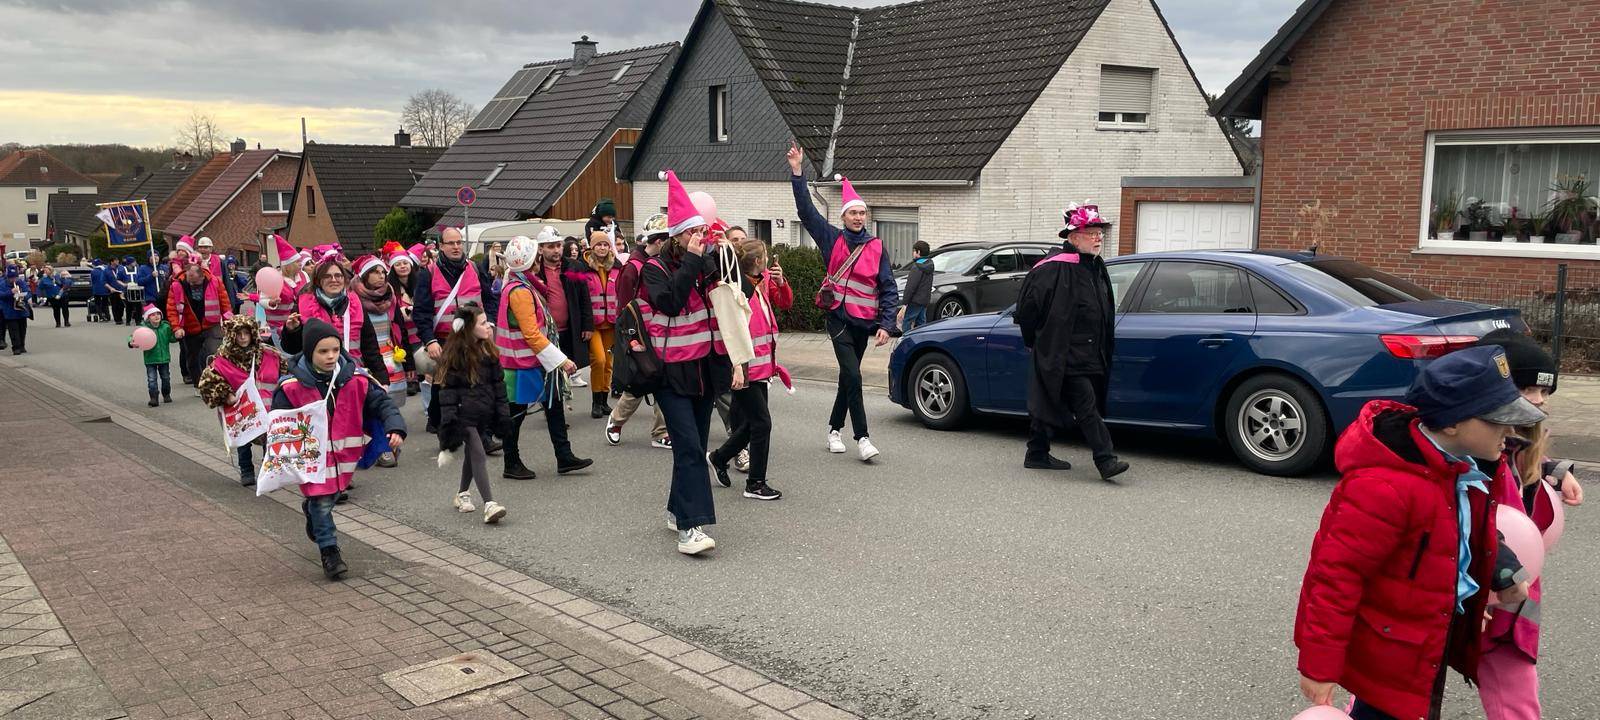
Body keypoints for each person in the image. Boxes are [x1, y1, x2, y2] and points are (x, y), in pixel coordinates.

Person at [1294, 346, 1542, 720]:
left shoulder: (1459, 467)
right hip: (1391, 647)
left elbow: (1467, 535)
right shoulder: (1385, 487)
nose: (1509, 431)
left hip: (1423, 637)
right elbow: (1335, 577)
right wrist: (1320, 665)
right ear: (1453, 424)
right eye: (1496, 420)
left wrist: (1495, 577)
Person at [1470, 330, 1583, 720]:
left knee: (1516, 693)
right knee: (1399, 686)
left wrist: (1553, 470)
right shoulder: (1470, 454)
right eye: (1526, 387)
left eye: (1545, 392)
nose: (1537, 400)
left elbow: (1524, 457)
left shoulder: (1520, 448)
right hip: (1459, 587)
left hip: (1511, 596)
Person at [643, 171, 753, 555]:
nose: (698, 239)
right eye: (692, 234)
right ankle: (692, 528)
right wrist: (692, 259)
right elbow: (671, 302)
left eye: (701, 233)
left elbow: (739, 297)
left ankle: (677, 509)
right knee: (690, 449)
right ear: (676, 236)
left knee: (691, 446)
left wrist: (725, 255)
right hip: (670, 374)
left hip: (705, 372)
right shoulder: (652, 269)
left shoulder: (708, 261)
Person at [786, 140, 898, 461]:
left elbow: (888, 288)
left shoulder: (876, 247)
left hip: (863, 323)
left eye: (863, 212)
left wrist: (887, 325)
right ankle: (862, 437)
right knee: (854, 375)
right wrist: (797, 172)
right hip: (837, 318)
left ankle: (834, 429)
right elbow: (806, 212)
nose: (859, 217)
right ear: (844, 215)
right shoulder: (831, 238)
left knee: (846, 378)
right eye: (853, 212)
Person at [272, 319, 404, 580]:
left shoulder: (355, 379)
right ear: (310, 352)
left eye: (335, 349)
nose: (331, 356)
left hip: (344, 458)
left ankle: (312, 512)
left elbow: (381, 403)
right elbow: (278, 422)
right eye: (323, 351)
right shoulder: (291, 386)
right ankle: (330, 553)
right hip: (312, 458)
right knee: (322, 503)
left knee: (328, 499)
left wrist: (395, 426)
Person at [1014, 202, 1128, 480]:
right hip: (1064, 352)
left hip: (1091, 352)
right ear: (1073, 237)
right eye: (1091, 232)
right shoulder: (1051, 269)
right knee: (1085, 405)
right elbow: (1027, 311)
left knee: (1051, 400)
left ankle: (1037, 452)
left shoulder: (1095, 266)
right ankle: (1105, 459)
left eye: (1100, 231)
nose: (1098, 237)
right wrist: (1038, 343)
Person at [498, 232, 593, 480]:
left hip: (532, 361)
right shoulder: (520, 291)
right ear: (530, 262)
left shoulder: (524, 285)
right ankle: (511, 461)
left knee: (554, 405)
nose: (540, 259)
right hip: (523, 363)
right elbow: (531, 333)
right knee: (516, 414)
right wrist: (562, 359)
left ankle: (564, 456)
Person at [707, 238, 790, 501]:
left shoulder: (756, 284)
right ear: (756, 262)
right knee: (762, 423)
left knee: (754, 423)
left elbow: (782, 306)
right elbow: (735, 333)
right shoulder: (739, 291)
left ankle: (719, 458)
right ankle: (755, 483)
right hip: (745, 369)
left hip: (758, 369)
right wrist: (738, 368)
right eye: (765, 256)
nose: (767, 261)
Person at [436, 305, 511, 524]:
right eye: (482, 323)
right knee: (478, 450)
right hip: (462, 415)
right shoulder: (455, 357)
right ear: (468, 328)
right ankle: (489, 504)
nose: (488, 326)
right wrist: (449, 422)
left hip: (482, 413)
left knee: (471, 454)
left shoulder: (490, 352)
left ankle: (461, 494)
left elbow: (498, 386)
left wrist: (502, 414)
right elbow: (447, 393)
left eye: (487, 321)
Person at [605, 218, 672, 450]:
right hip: (641, 333)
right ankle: (615, 420)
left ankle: (661, 432)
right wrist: (631, 340)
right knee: (640, 383)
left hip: (662, 331)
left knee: (664, 380)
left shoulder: (661, 263)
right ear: (661, 241)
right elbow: (625, 309)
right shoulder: (633, 268)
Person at [413, 227, 485, 436]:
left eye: (458, 243)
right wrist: (429, 341)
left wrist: (488, 324)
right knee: (444, 383)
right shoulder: (429, 273)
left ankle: (480, 434)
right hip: (444, 339)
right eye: (450, 243)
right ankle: (437, 420)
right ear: (441, 246)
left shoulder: (474, 268)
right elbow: (421, 311)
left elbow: (489, 300)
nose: (455, 247)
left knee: (474, 383)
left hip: (473, 338)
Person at [198, 315, 284, 486]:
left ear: (253, 333)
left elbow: (284, 376)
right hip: (240, 411)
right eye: (239, 334)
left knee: (271, 439)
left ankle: (271, 472)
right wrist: (225, 394)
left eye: (246, 333)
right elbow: (207, 383)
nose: (243, 337)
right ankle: (246, 469)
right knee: (243, 440)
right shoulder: (223, 359)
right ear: (232, 335)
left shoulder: (268, 354)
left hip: (268, 409)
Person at [351, 255, 415, 469]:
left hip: (390, 354)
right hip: (367, 356)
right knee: (372, 403)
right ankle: (382, 447)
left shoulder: (390, 297)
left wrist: (409, 363)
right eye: (375, 272)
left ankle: (391, 441)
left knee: (390, 403)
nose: (381, 276)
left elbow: (400, 328)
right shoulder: (354, 299)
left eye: (382, 272)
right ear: (365, 276)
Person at [281, 252, 387, 381]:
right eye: (327, 276)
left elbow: (369, 345)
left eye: (338, 275)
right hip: (316, 379)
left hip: (353, 376)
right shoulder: (303, 304)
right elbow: (291, 349)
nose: (334, 280)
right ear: (318, 281)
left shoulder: (355, 303)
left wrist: (381, 378)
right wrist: (292, 331)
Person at [536, 230, 593, 389]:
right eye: (551, 246)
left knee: (566, 369)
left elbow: (584, 295)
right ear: (541, 249)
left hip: (569, 328)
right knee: (549, 375)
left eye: (558, 246)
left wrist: (587, 324)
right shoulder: (535, 270)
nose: (556, 250)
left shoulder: (573, 267)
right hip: (545, 332)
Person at [579, 230, 622, 418]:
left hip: (611, 323)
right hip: (593, 324)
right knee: (599, 360)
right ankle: (596, 402)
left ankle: (604, 401)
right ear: (592, 247)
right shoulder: (583, 268)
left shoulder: (617, 267)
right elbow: (580, 298)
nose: (602, 248)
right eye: (598, 245)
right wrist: (584, 324)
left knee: (609, 364)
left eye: (605, 244)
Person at [166, 261, 229, 387]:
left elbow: (225, 303)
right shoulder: (177, 285)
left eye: (195, 282)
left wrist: (228, 320)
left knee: (214, 354)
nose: (191, 284)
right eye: (190, 280)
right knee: (193, 358)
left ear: (202, 276)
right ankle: (198, 384)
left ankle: (216, 382)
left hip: (211, 324)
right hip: (190, 326)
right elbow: (171, 308)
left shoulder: (215, 282)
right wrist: (176, 327)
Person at [384, 241, 422, 396]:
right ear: (393, 267)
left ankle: (421, 376)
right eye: (398, 264)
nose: (402, 266)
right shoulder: (390, 288)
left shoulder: (419, 283)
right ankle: (410, 380)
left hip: (418, 329)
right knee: (407, 354)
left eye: (405, 263)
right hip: (402, 330)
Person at [257, 235, 308, 339]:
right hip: (279, 326)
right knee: (285, 354)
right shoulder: (274, 278)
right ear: (289, 264)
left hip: (300, 324)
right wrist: (271, 302)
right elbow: (262, 299)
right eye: (297, 262)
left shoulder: (304, 276)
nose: (300, 264)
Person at [127, 304, 175, 406]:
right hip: (150, 359)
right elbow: (133, 337)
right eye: (153, 315)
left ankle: (166, 394)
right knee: (152, 379)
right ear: (148, 318)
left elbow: (172, 338)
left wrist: (177, 336)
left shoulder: (166, 327)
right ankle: (154, 397)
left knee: (166, 377)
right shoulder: (144, 329)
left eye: (158, 314)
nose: (156, 316)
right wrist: (131, 343)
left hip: (164, 358)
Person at [898, 240, 933, 333]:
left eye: (914, 251)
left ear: (918, 252)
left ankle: (906, 342)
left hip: (915, 300)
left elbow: (911, 286)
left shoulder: (917, 267)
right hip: (925, 299)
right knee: (921, 322)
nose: (913, 253)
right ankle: (922, 341)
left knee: (907, 321)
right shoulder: (929, 264)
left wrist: (905, 302)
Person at [1, 265, 33, 354]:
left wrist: (26, 296)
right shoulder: (3, 284)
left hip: (22, 310)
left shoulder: (21, 282)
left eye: (15, 277)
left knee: (22, 329)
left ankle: (22, 345)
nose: (13, 280)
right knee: (13, 330)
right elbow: (1, 295)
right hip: (10, 311)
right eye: (11, 278)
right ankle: (16, 347)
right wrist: (10, 292)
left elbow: (28, 292)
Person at [106, 256, 128, 324]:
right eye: (115, 260)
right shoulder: (106, 270)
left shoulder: (122, 268)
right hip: (113, 291)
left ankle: (120, 316)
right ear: (111, 262)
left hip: (122, 290)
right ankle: (117, 319)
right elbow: (104, 282)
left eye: (118, 260)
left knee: (121, 305)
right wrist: (110, 288)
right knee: (115, 305)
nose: (117, 261)